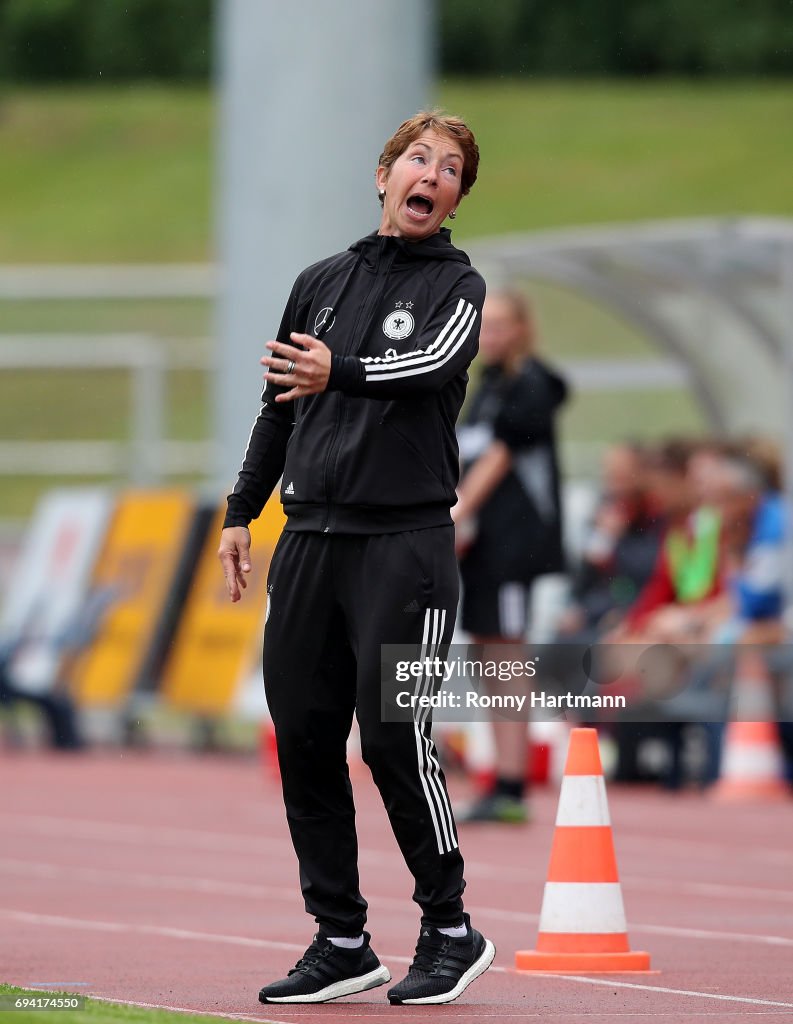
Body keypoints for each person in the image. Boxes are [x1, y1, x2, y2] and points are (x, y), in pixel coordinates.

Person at [217, 111, 495, 1006]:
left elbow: (427, 363)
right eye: (419, 158)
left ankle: (451, 927)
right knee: (300, 735)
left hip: (404, 545)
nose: (432, 175)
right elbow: (276, 407)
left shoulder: (459, 285)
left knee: (391, 735)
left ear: (454, 198)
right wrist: (239, 513)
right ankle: (341, 938)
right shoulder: (318, 281)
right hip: (308, 541)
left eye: (450, 169)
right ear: (383, 175)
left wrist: (336, 370)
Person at [453, 289, 568, 824]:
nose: (489, 334)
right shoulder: (488, 385)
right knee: (485, 652)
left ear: (523, 327)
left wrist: (457, 513)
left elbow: (500, 456)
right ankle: (501, 775)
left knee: (507, 653)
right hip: (482, 547)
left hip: (512, 546)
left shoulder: (532, 385)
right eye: (484, 325)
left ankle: (515, 782)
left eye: (500, 324)